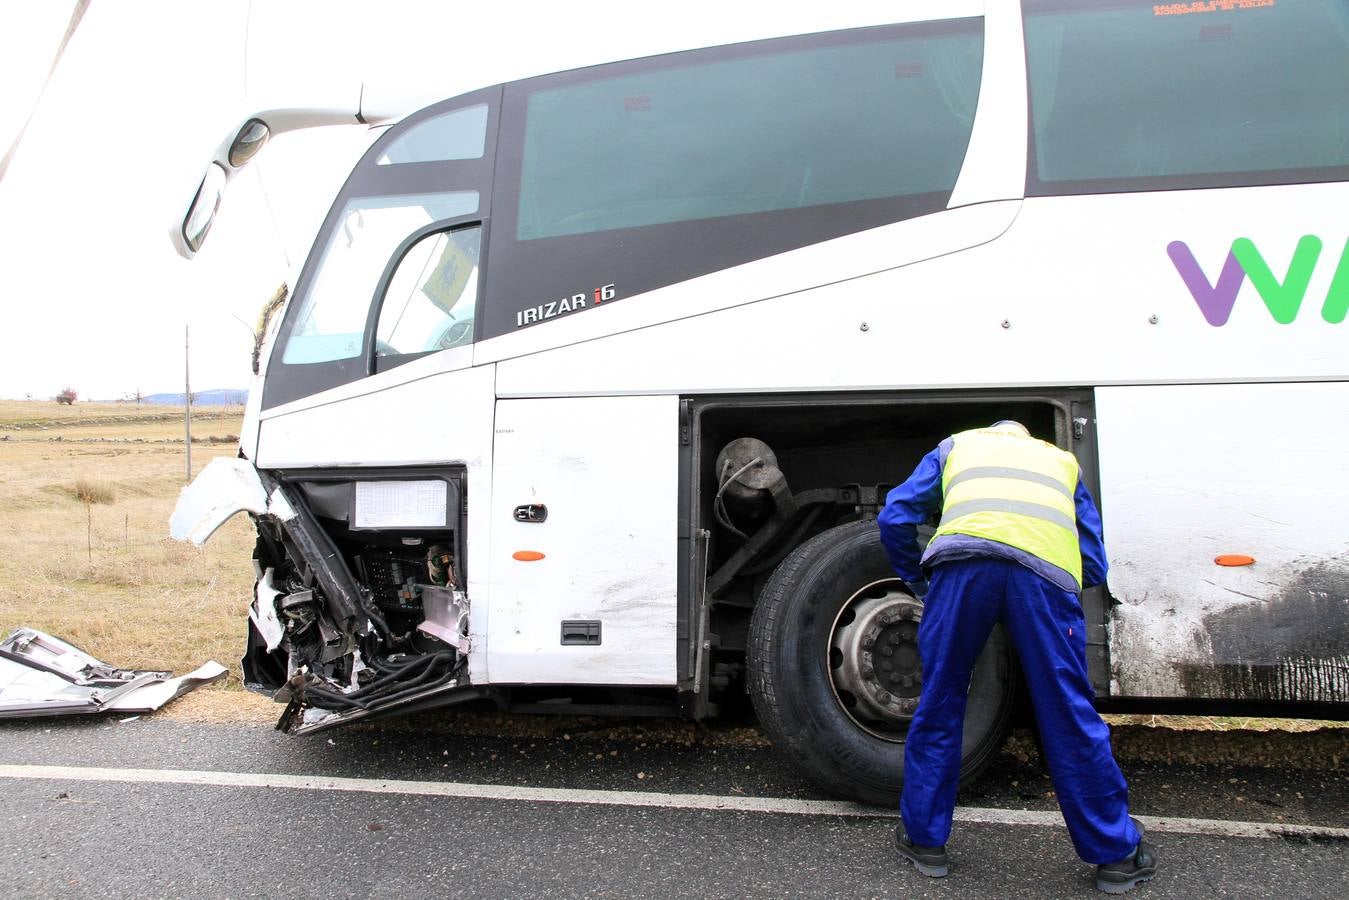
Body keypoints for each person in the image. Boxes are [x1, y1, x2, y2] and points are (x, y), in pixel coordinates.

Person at [877, 420, 1158, 894]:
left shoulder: (956, 446)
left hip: (961, 568)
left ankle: (925, 840)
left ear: (992, 434)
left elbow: (895, 517)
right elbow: (1094, 561)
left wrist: (917, 577)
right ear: (1027, 440)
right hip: (1042, 576)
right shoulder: (1063, 462)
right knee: (1068, 711)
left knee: (942, 700)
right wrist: (1052, 592)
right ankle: (1115, 854)